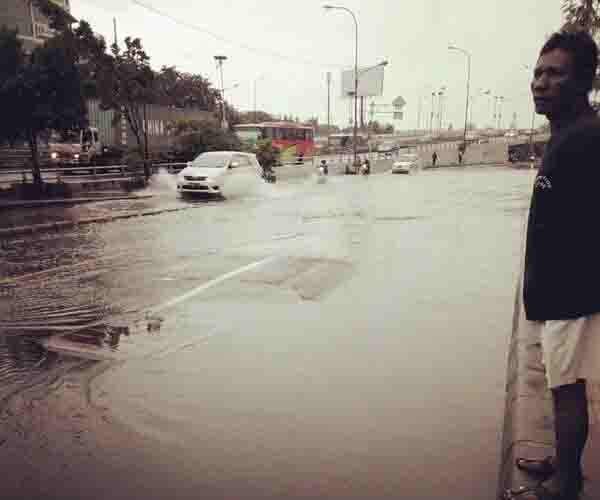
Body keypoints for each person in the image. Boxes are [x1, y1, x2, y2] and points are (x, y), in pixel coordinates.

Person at [504, 31, 600, 500]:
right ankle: (563, 465)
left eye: (555, 73)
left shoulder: (587, 139)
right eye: (538, 73)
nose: (540, 83)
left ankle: (566, 485)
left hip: (572, 294)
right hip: (555, 293)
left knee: (566, 389)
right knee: (562, 385)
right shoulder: (566, 136)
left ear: (584, 79)